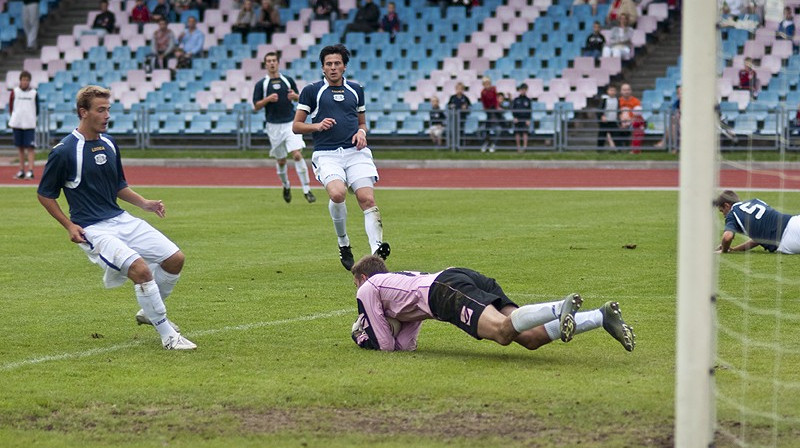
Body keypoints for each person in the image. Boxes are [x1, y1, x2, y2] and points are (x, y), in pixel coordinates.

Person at [36, 85, 196, 350]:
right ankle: (168, 336)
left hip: (120, 218)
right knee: (141, 271)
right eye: (101, 110)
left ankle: (149, 312)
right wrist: (69, 225)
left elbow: (118, 185)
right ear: (83, 112)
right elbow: (45, 194)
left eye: (108, 109)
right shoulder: (64, 151)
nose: (107, 115)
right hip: (93, 228)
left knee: (175, 259)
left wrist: (144, 203)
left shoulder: (109, 143)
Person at [349, 255, 636, 353]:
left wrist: (361, 336)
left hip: (444, 291)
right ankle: (601, 316)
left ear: (362, 278)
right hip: (453, 279)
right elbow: (405, 346)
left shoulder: (369, 288)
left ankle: (560, 307)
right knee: (530, 339)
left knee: (501, 332)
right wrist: (396, 325)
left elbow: (385, 345)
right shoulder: (396, 291)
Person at [292, 44, 390, 271]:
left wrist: (362, 133)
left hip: (355, 152)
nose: (333, 67)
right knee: (337, 194)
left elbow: (362, 123)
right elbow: (296, 126)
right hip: (327, 154)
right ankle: (343, 242)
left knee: (367, 199)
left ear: (344, 66)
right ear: (323, 67)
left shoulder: (356, 89)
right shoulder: (311, 91)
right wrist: (317, 125)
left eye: (337, 63)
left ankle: (376, 253)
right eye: (329, 64)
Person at [253, 52, 316, 204]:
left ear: (278, 62)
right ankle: (286, 185)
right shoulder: (262, 84)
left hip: (290, 123)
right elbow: (256, 106)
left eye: (274, 60)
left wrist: (295, 96)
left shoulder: (287, 80)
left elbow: (300, 98)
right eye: (269, 61)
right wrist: (267, 99)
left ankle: (306, 189)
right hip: (273, 126)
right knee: (281, 160)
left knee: (297, 155)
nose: (271, 63)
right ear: (265, 64)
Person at [714, 190, 800, 255]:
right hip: (794, 221)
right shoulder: (754, 201)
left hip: (787, 240)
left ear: (727, 205)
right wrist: (734, 249)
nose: (724, 215)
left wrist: (724, 250)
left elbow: (727, 237)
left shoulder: (732, 214)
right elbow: (758, 240)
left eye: (722, 211)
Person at [9, 71, 39, 180]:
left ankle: (30, 171)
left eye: (27, 80)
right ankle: (21, 170)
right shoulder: (15, 92)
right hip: (17, 124)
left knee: (30, 148)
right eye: (23, 80)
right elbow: (11, 107)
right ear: (20, 81)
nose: (25, 82)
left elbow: (37, 109)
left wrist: (31, 118)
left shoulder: (34, 93)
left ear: (29, 81)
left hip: (29, 124)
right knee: (20, 148)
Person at [479, 76, 499, 153]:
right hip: (488, 111)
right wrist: (487, 109)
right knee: (487, 128)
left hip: (494, 110)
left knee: (495, 128)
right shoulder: (483, 92)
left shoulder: (494, 89)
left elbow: (495, 100)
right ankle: (486, 143)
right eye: (485, 84)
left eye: (488, 83)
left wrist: (496, 107)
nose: (487, 85)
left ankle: (493, 144)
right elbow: (484, 102)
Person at [511, 83, 532, 153]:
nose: (523, 91)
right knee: (517, 133)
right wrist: (514, 117)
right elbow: (513, 109)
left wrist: (528, 119)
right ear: (519, 90)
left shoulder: (528, 100)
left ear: (526, 90)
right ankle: (518, 147)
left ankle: (525, 147)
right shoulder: (516, 100)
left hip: (525, 119)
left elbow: (530, 110)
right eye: (522, 89)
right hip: (517, 119)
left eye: (524, 89)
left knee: (525, 133)